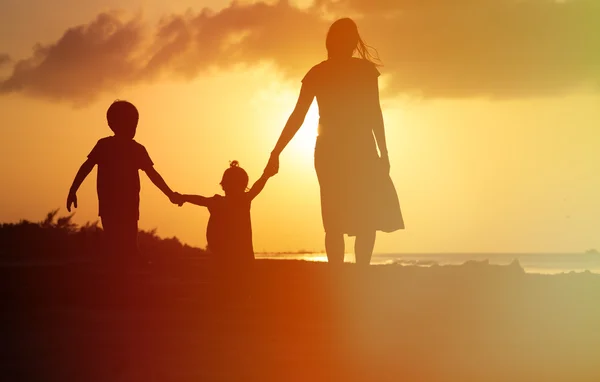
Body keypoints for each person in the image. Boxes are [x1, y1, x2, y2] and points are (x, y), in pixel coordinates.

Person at [265, 18, 404, 266]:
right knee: (354, 218)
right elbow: (373, 113)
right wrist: (276, 151)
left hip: (340, 150)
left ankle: (343, 274)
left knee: (341, 218)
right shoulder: (346, 71)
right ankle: (354, 273)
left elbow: (374, 112)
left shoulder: (331, 72)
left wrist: (276, 152)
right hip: (352, 149)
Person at [66, 100, 179, 264]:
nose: (133, 128)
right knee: (113, 239)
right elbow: (86, 167)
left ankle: (129, 264)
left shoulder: (136, 149)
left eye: (134, 124)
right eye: (129, 123)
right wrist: (73, 190)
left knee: (129, 237)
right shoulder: (104, 145)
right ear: (113, 124)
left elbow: (152, 174)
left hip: (129, 203)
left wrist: (170, 194)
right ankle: (119, 270)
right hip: (110, 203)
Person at [173, 161, 271, 299]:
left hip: (232, 257)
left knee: (230, 288)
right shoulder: (239, 200)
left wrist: (182, 197)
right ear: (243, 185)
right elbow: (200, 199)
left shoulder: (225, 201)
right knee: (236, 289)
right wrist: (266, 175)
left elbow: (200, 199)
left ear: (223, 185)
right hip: (236, 256)